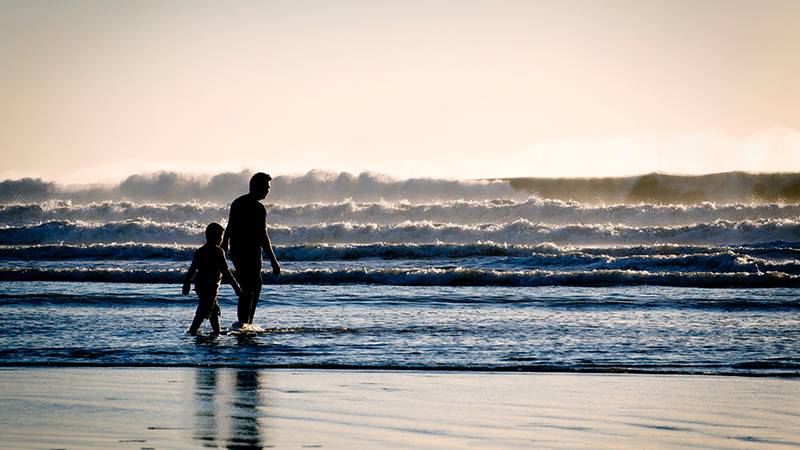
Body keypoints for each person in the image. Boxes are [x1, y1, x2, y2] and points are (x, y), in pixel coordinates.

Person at [222, 172, 281, 326]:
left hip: (240, 251)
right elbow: (263, 236)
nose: (268, 191)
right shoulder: (258, 208)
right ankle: (244, 322)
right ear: (257, 186)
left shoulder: (238, 202)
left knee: (252, 286)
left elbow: (230, 226)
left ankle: (246, 322)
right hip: (247, 251)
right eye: (266, 188)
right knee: (250, 287)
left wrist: (225, 243)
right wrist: (274, 262)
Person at [183, 222, 242, 335]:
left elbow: (192, 270)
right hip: (210, 286)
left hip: (200, 285)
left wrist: (187, 283)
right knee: (204, 309)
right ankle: (193, 330)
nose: (221, 239)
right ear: (213, 237)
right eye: (220, 236)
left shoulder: (200, 251)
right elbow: (226, 271)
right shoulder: (218, 252)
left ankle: (216, 332)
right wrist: (236, 287)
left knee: (213, 310)